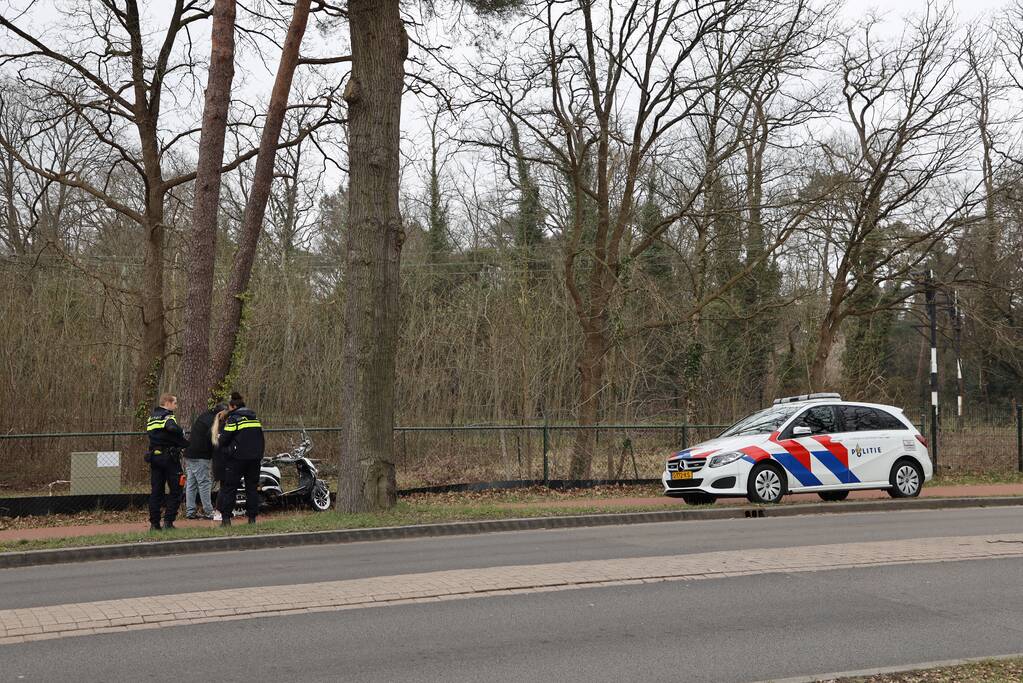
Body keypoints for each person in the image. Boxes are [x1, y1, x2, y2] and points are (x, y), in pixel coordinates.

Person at [216, 391, 265, 526]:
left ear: (232, 407)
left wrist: (226, 450)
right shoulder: (254, 419)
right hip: (254, 459)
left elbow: (224, 439)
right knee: (252, 489)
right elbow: (260, 439)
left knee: (230, 488)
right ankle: (252, 519)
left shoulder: (234, 419)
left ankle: (226, 519)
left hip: (237, 459)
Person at [145, 393, 190, 531]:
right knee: (177, 489)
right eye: (175, 403)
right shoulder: (168, 416)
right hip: (169, 458)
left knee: (156, 491)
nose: (176, 406)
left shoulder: (151, 417)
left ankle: (154, 524)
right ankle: (169, 522)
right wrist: (181, 434)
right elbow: (171, 428)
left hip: (155, 457)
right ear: (167, 402)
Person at [183, 402, 225, 520]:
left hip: (190, 453)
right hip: (200, 456)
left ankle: (190, 511)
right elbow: (212, 439)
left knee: (192, 483)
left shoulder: (205, 416)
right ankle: (208, 511)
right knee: (204, 483)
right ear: (221, 413)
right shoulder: (213, 421)